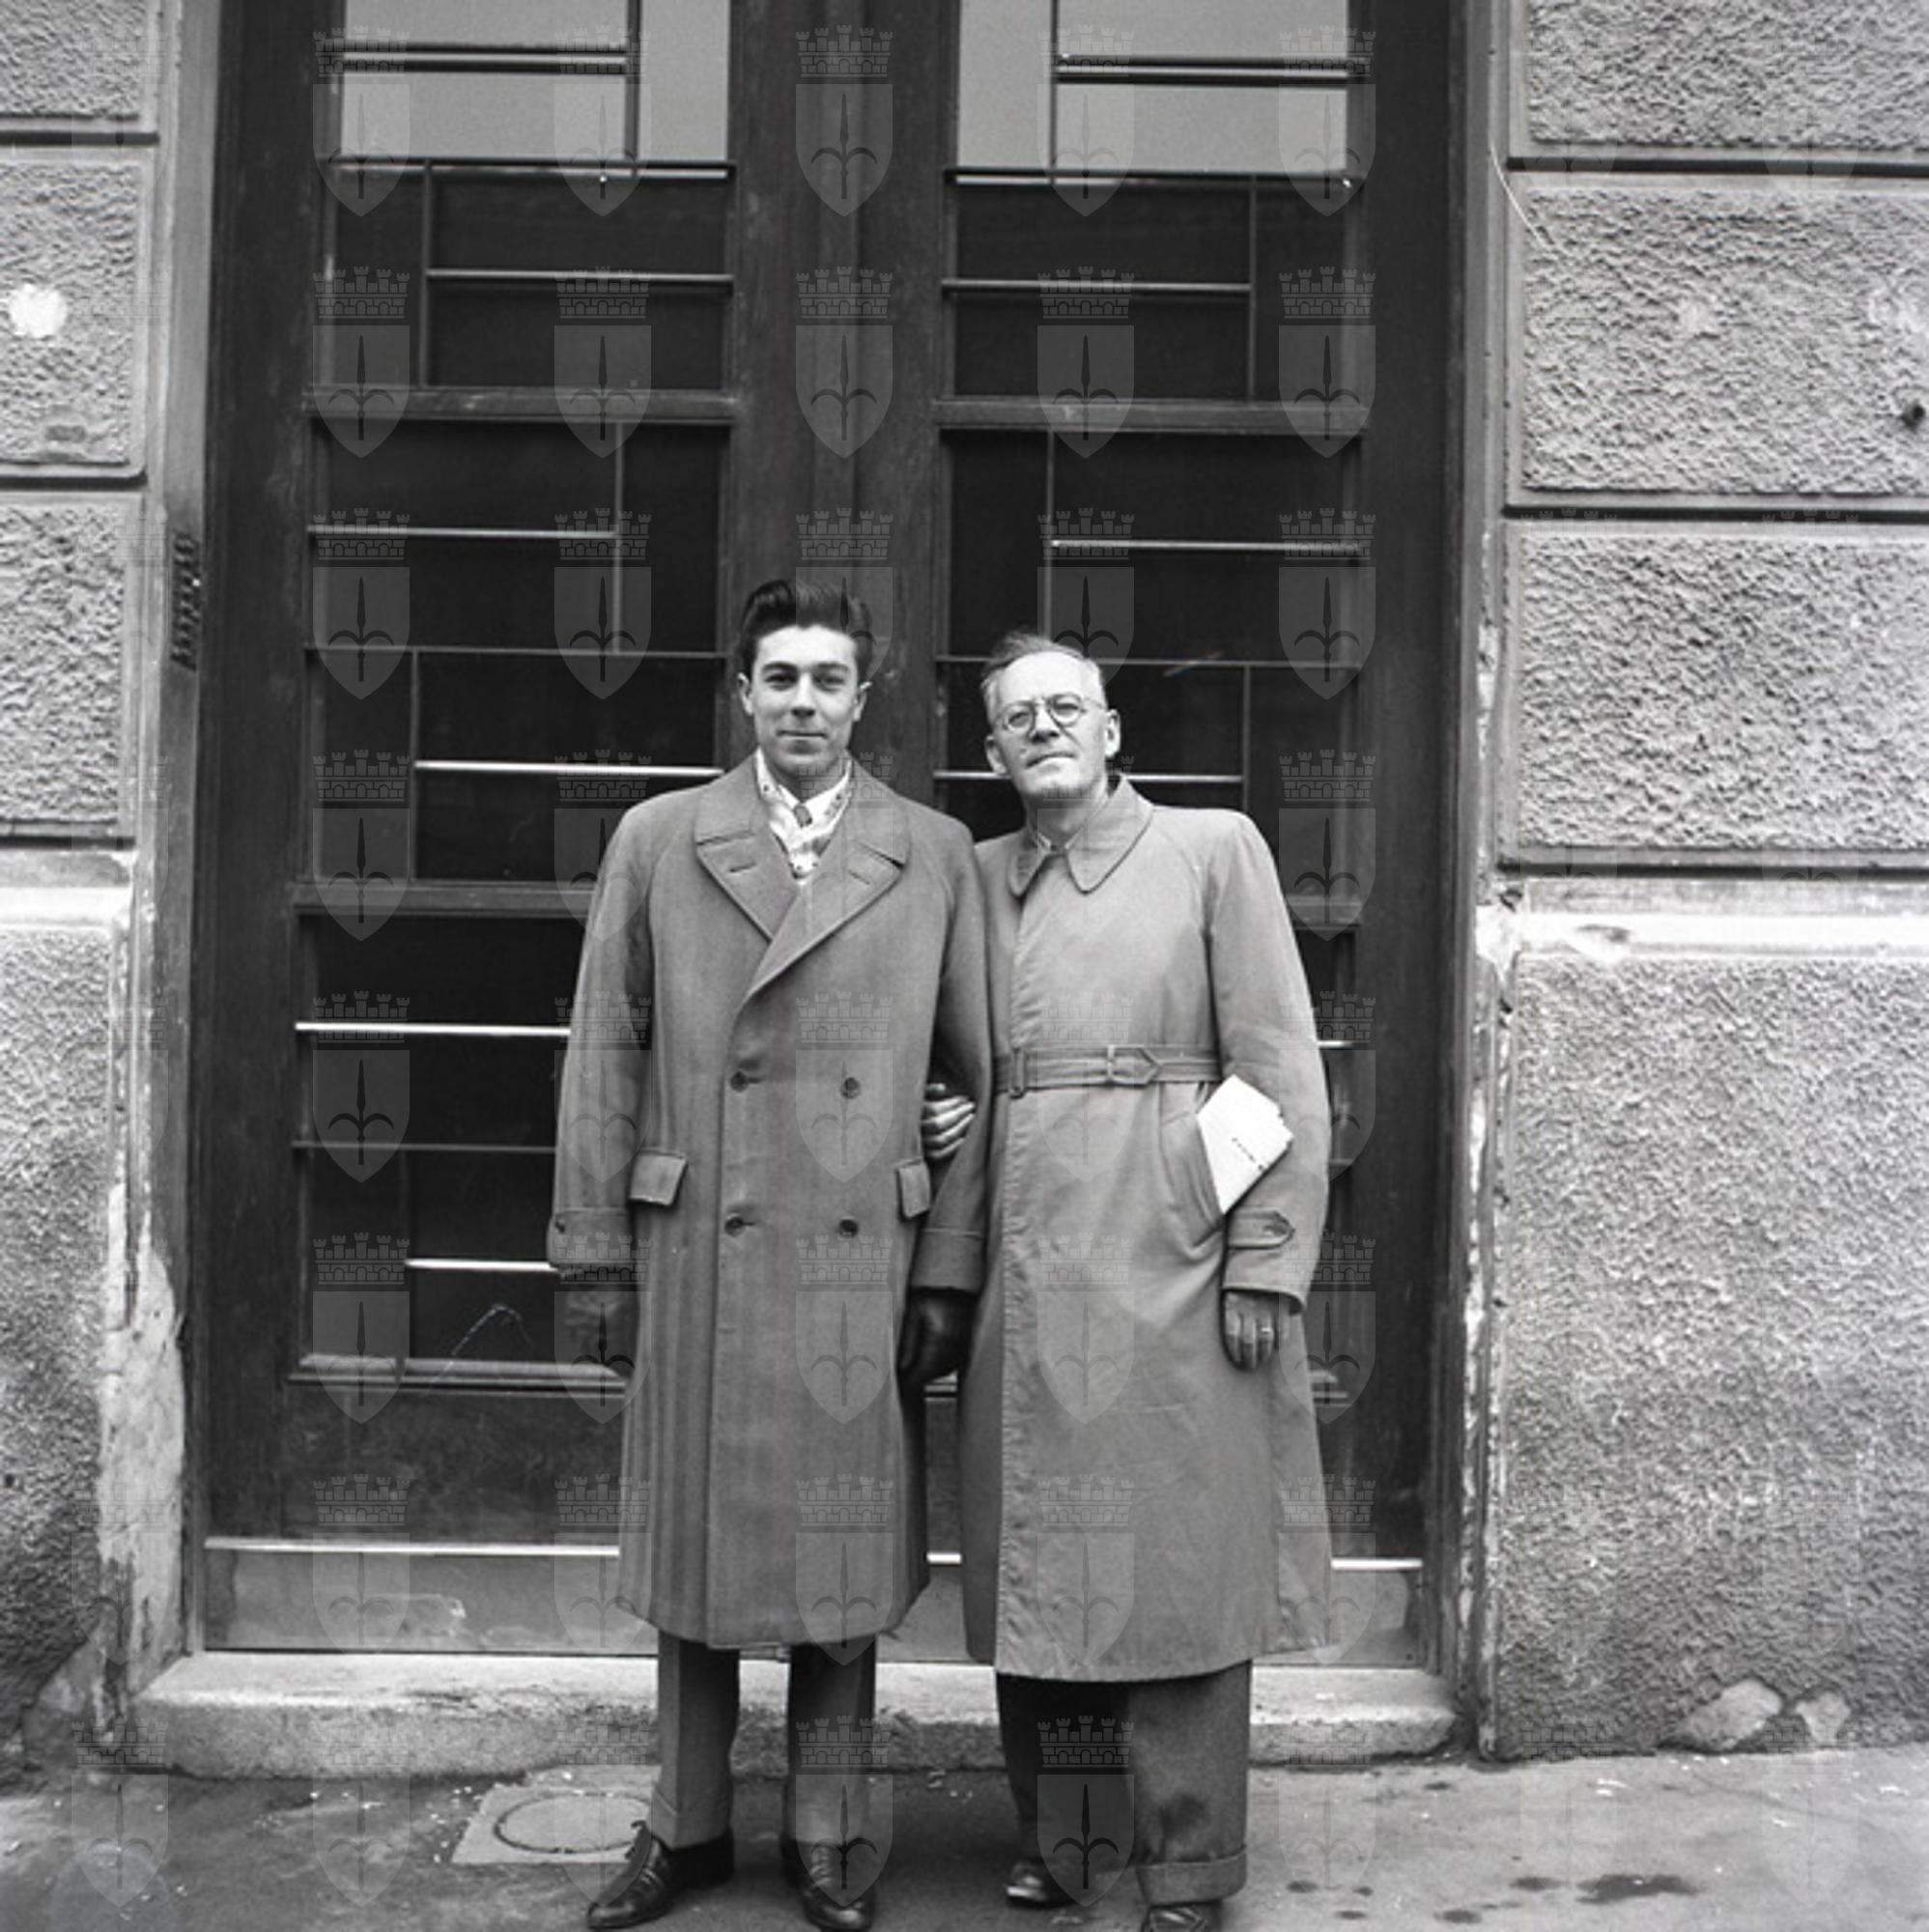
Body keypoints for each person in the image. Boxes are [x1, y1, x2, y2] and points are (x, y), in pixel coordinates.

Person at [551, 580, 992, 1931]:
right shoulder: (660, 836)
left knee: (840, 1558)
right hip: (700, 1242)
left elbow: (979, 1077)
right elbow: (604, 1049)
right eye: (780, 678)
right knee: (692, 1555)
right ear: (743, 693)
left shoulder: (933, 850)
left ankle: (830, 1830)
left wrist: (946, 1268)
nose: (803, 702)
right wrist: (593, 1256)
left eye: (828, 679)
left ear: (864, 699)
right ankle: (683, 1828)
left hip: (862, 1258)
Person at [922, 632, 1331, 1932]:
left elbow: (1276, 1064)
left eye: (1068, 707)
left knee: (1179, 1562)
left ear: (1111, 734)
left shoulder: (1211, 850)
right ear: (993, 753)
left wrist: (1262, 1255)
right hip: (1024, 1252)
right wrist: (942, 1120)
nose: (1044, 727)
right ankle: (1072, 1841)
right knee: (1044, 1554)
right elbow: (947, 1057)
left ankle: (1188, 1863)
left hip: (1174, 1251)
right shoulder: (970, 875)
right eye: (1018, 717)